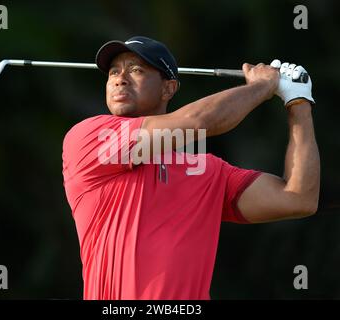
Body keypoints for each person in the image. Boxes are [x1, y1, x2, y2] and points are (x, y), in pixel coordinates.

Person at [62, 36, 320, 300]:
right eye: (114, 71)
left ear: (168, 89)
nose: (120, 78)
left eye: (136, 69)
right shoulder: (90, 138)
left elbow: (298, 198)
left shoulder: (206, 170)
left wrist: (298, 102)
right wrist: (262, 86)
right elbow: (198, 121)